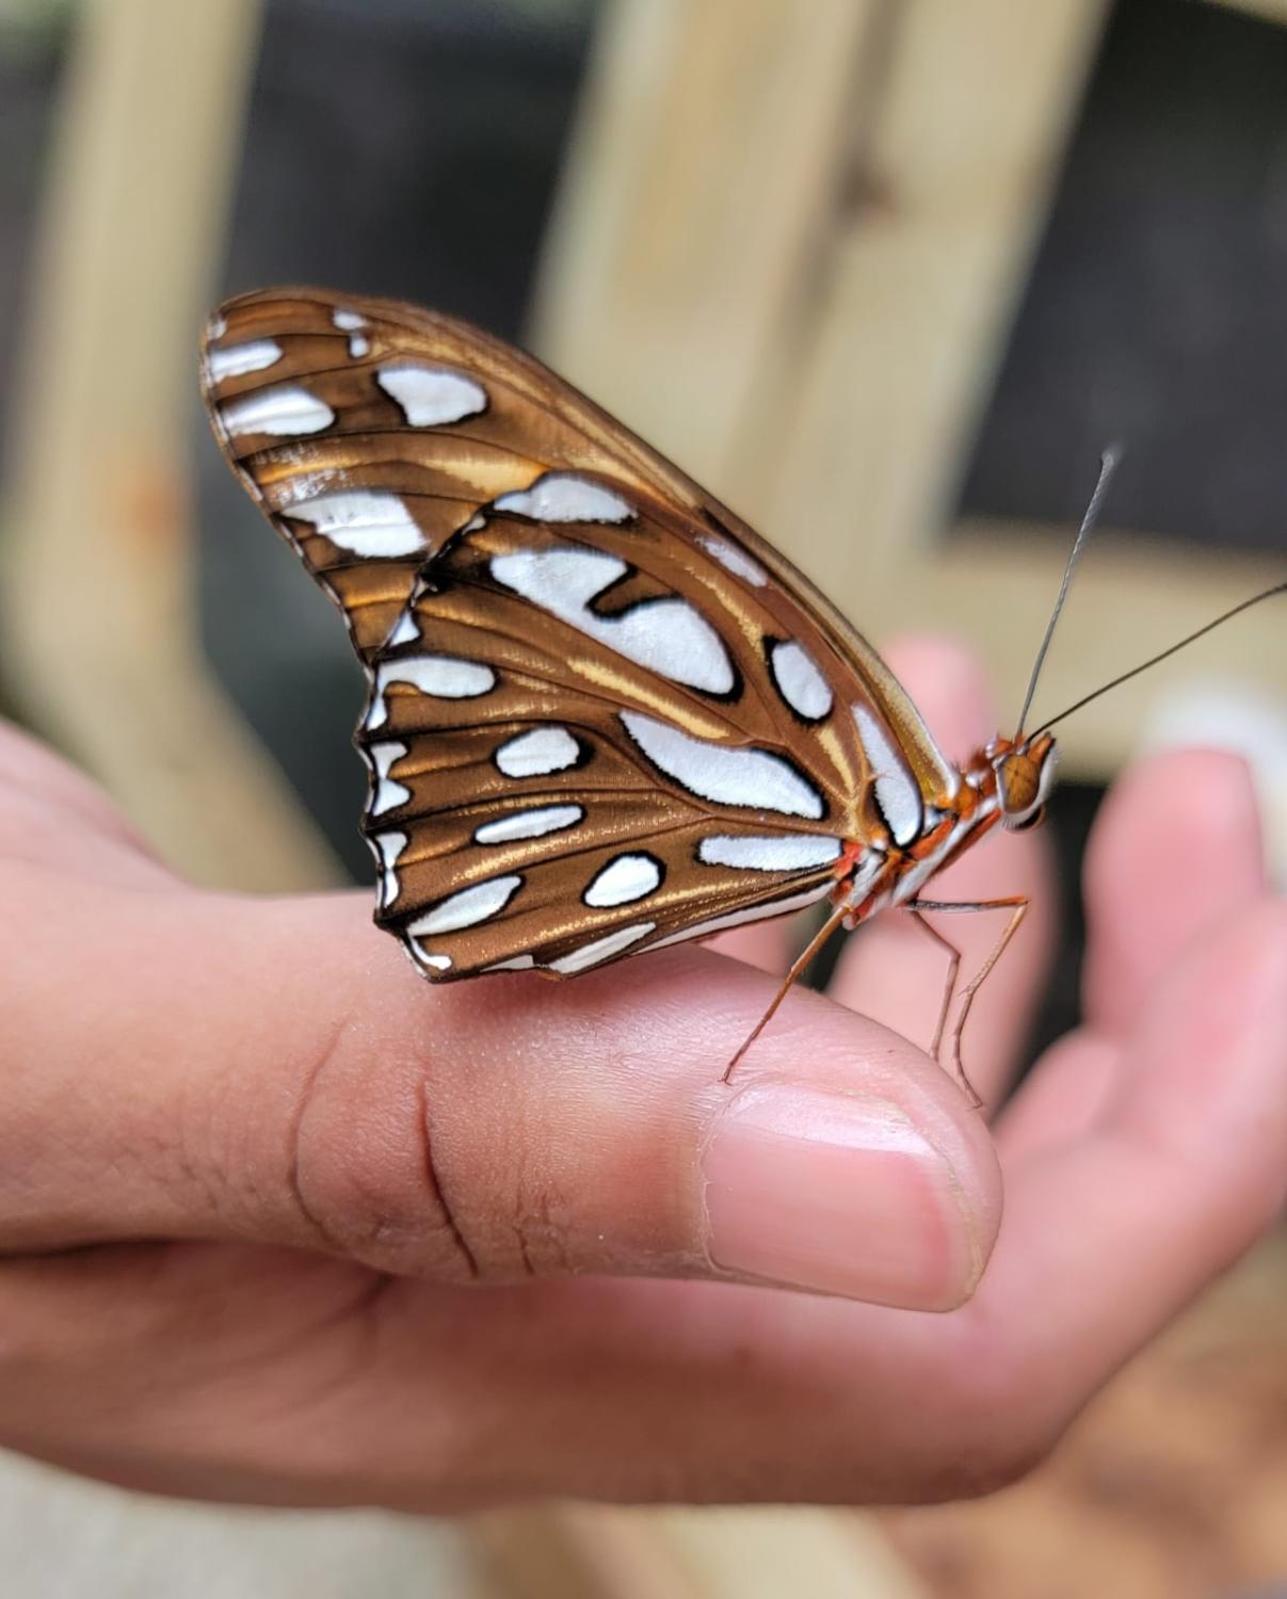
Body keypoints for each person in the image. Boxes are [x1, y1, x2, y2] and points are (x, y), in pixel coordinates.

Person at [0, 637, 1281, 1508]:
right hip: (568, 807)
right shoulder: (877, 798)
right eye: (1012, 777)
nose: (1011, 790)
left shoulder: (907, 828)